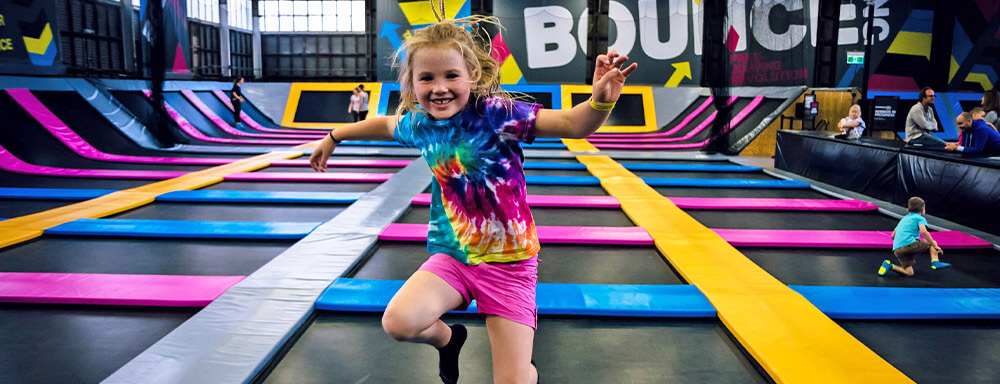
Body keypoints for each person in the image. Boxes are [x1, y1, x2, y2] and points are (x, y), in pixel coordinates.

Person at [310, 16, 636, 384]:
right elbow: (383, 124)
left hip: (509, 265)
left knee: (512, 381)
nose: (439, 88)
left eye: (451, 75)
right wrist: (334, 136)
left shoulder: (497, 116)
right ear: (411, 84)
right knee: (398, 322)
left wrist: (600, 102)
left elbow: (573, 125)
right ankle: (448, 340)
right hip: (454, 257)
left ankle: (525, 373)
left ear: (473, 78)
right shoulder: (420, 125)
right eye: (426, 78)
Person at [879, 197, 949, 277]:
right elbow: (923, 231)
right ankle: (935, 262)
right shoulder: (920, 218)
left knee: (909, 273)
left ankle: (889, 265)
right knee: (932, 243)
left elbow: (892, 236)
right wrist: (934, 244)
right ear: (923, 210)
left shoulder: (904, 219)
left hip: (897, 249)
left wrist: (901, 242)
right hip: (909, 245)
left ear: (908, 210)